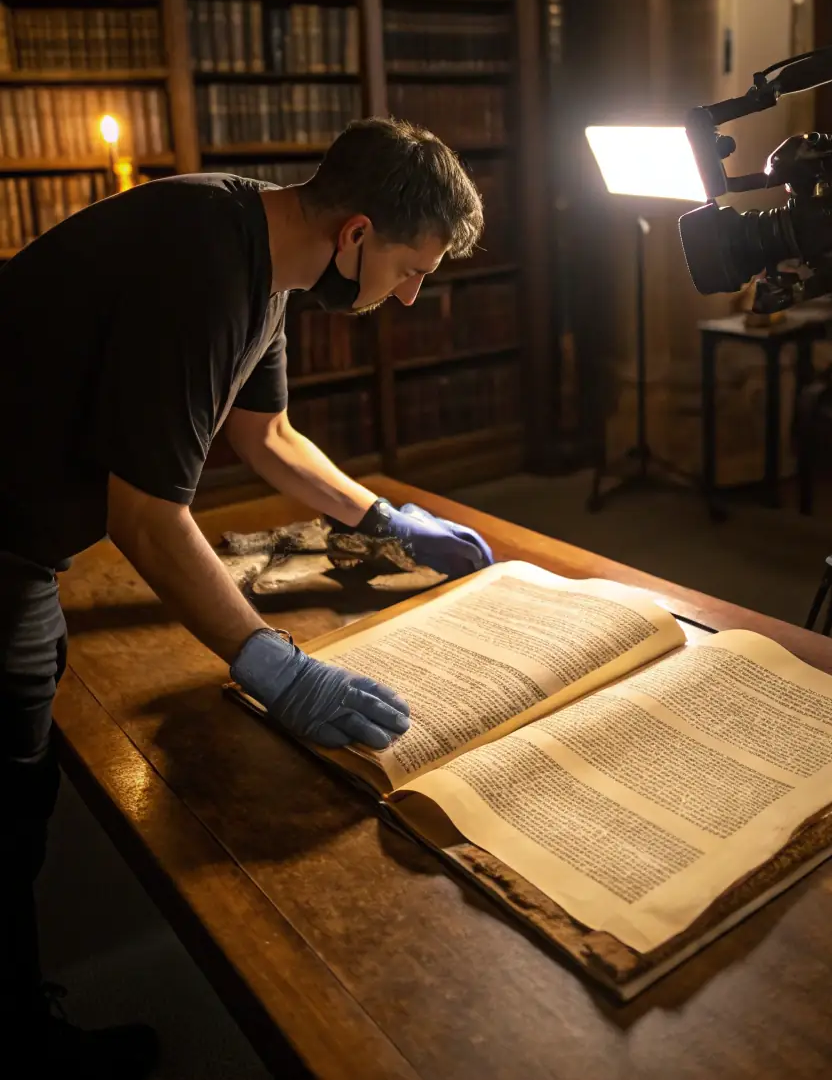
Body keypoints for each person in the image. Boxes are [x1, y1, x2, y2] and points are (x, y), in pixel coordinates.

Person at [0, 116, 495, 1075]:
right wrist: (270, 661)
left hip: (28, 532)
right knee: (10, 787)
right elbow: (145, 514)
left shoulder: (263, 251)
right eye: (409, 267)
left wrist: (383, 519)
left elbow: (264, 437)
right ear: (356, 234)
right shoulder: (204, 267)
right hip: (3, 536)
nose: (410, 293)